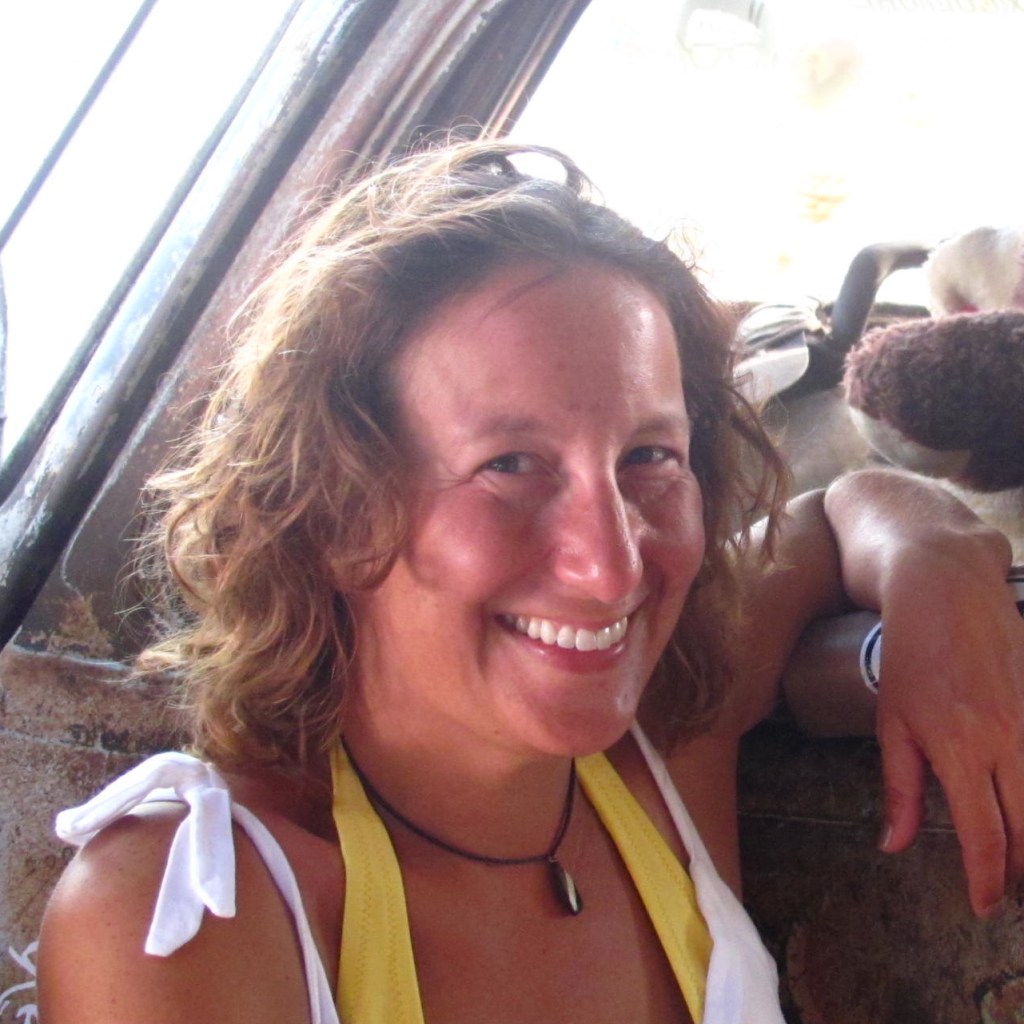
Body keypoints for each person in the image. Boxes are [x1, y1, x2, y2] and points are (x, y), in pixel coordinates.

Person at [36, 140, 1024, 1024]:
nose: (612, 566)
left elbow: (839, 511)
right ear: (333, 511)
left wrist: (935, 562)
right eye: (508, 465)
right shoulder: (196, 914)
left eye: (648, 456)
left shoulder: (658, 755)